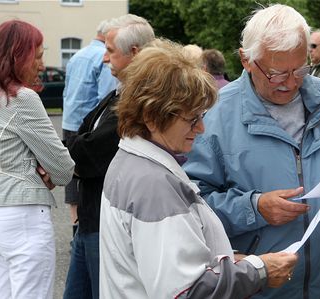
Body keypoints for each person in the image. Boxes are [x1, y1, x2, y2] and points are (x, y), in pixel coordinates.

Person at [184, 4, 320, 299]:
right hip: (256, 290)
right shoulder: (215, 116)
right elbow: (190, 205)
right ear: (246, 60)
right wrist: (255, 208)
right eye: (276, 73)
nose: (291, 82)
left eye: (300, 69)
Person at [99, 39, 298, 299]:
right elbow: (185, 290)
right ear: (151, 116)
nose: (201, 128)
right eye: (192, 118)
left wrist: (226, 263)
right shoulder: (154, 185)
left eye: (201, 116)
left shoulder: (132, 161)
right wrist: (259, 270)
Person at [0, 20, 75, 299]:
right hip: (20, 216)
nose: (41, 63)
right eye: (37, 56)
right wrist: (44, 171)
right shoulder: (21, 99)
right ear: (17, 57)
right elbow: (63, 169)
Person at [62, 14, 155, 299]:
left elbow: (86, 154)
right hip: (91, 220)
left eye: (110, 51)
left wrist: (76, 150)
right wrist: (77, 148)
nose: (104, 59)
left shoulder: (139, 103)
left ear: (135, 53)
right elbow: (79, 137)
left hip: (107, 225)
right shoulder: (118, 96)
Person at [62, 20, 117, 235]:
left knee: (72, 179)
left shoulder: (77, 55)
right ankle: (82, 229)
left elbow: (67, 90)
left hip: (70, 119)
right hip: (91, 124)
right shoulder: (101, 57)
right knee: (89, 173)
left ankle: (75, 223)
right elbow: (105, 94)